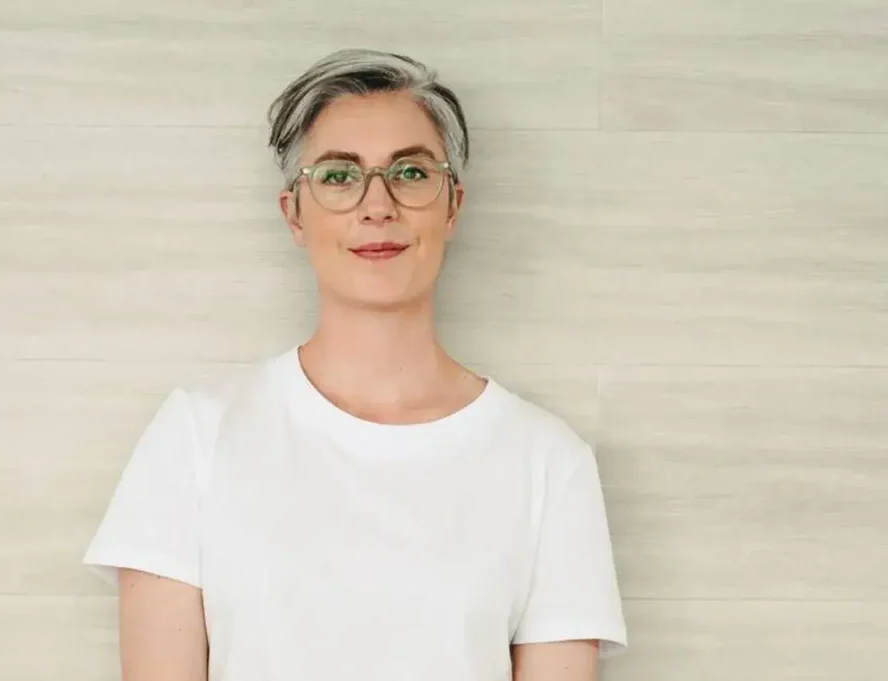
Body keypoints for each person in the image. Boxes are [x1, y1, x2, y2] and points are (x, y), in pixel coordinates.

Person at [83, 47, 627, 681]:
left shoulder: (548, 462)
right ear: (294, 213)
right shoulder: (196, 435)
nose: (378, 206)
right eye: (339, 176)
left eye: (410, 172)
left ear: (452, 205)